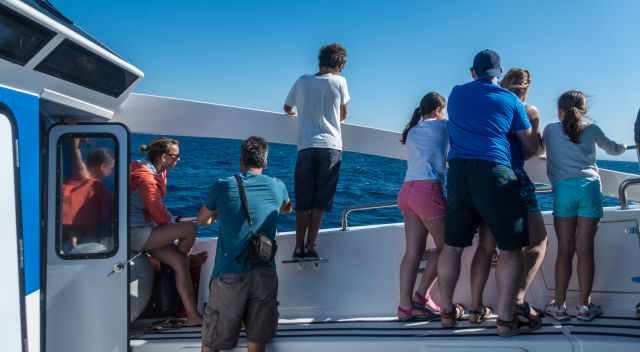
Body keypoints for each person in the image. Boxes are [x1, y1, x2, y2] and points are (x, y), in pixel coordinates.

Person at [438, 49, 540, 336]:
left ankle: (447, 313)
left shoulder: (456, 93)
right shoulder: (510, 100)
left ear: (473, 71)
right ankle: (506, 320)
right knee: (510, 249)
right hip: (494, 173)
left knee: (452, 247)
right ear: (499, 73)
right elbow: (530, 145)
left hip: (458, 173)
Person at [468, 68, 547, 324]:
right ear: (527, 87)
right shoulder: (527, 111)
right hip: (512, 177)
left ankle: (476, 307)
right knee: (537, 242)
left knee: (486, 247)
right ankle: (517, 300)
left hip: (481, 177)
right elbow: (530, 150)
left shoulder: (490, 106)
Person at [198, 136, 292, 352]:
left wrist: (221, 214)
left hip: (230, 273)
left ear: (241, 160)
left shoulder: (223, 185)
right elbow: (287, 208)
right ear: (265, 162)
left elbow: (203, 219)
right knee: (257, 341)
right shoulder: (278, 186)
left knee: (212, 343)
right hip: (264, 272)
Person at [543, 90, 626, 321]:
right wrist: (622, 146)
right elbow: (614, 149)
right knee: (585, 250)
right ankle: (583, 307)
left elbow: (540, 150)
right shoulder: (591, 129)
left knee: (565, 250)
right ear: (584, 110)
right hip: (588, 189)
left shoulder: (550, 130)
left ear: (559, 109)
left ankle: (558, 306)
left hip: (563, 192)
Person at [283, 43, 350, 260]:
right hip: (330, 147)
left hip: (306, 146)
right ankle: (311, 246)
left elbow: (287, 108)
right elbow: (343, 115)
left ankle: (298, 247)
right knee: (320, 202)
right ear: (340, 63)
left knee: (303, 201)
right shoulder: (340, 82)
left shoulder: (303, 80)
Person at [129, 137, 203, 326]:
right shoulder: (146, 178)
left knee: (178, 262)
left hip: (148, 229)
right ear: (163, 157)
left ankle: (192, 316)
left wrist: (173, 222)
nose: (178, 160)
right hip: (134, 233)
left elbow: (159, 211)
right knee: (190, 228)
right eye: (175, 156)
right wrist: (178, 222)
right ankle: (187, 257)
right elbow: (159, 214)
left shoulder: (159, 172)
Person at [396, 92, 448, 321]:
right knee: (447, 247)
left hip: (407, 190)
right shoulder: (443, 126)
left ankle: (404, 307)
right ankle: (421, 295)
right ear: (438, 109)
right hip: (428, 191)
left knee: (412, 252)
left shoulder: (413, 130)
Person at [61, 138, 115, 251]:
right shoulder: (86, 177)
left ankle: (73, 237)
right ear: (103, 167)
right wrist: (75, 145)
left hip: (78, 227)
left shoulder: (98, 187)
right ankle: (73, 237)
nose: (112, 172)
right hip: (73, 226)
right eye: (111, 168)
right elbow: (78, 161)